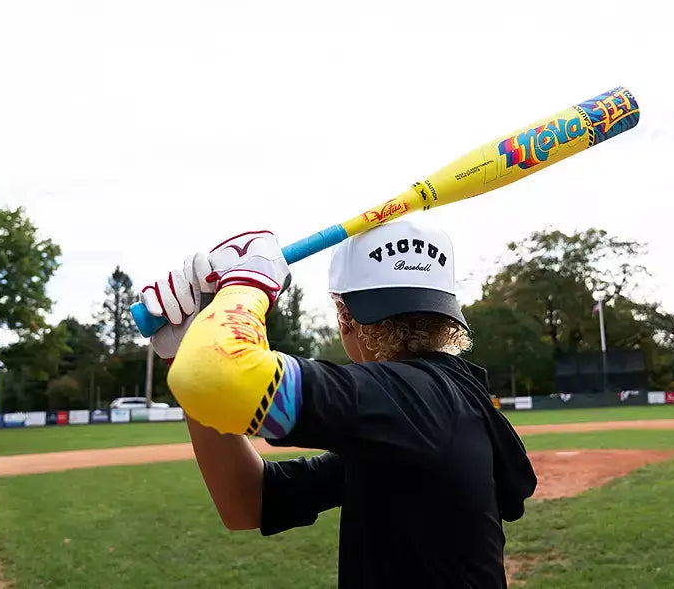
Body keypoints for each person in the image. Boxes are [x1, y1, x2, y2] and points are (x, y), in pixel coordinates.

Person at [139, 219, 537, 588]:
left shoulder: (412, 400)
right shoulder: (436, 404)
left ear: (343, 314)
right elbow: (249, 502)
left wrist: (247, 284)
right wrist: (191, 348)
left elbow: (224, 377)